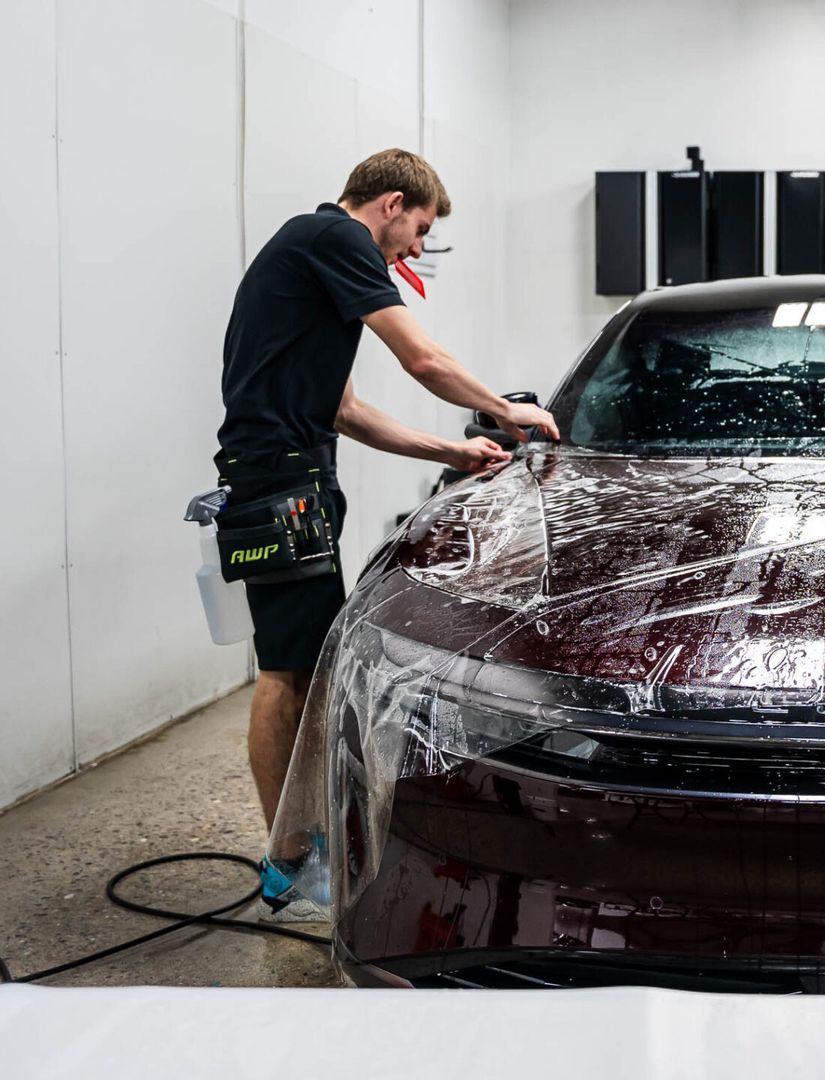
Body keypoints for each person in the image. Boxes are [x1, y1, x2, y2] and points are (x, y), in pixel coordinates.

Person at [214, 148, 558, 919]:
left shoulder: (311, 260)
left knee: (305, 669)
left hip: (291, 474)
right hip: (278, 482)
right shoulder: (333, 238)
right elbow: (423, 357)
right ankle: (287, 860)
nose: (414, 251)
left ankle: (298, 844)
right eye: (419, 230)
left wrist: (454, 448)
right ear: (391, 202)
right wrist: (508, 410)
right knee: (287, 673)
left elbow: (344, 409)